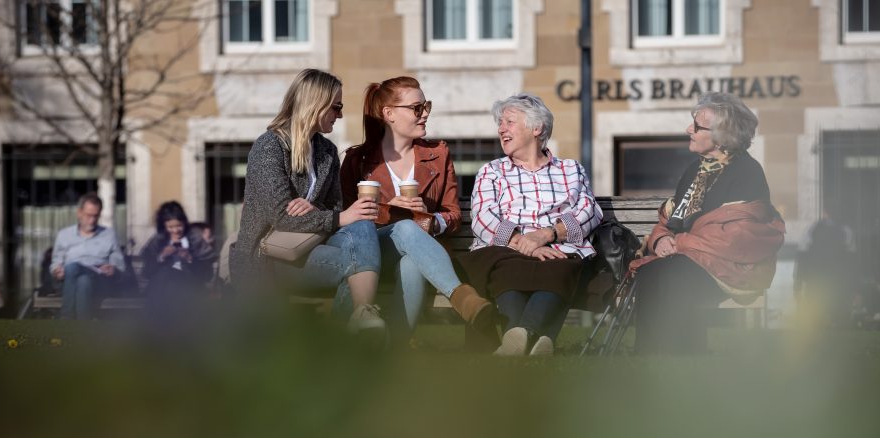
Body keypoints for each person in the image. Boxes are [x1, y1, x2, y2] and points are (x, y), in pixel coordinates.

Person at [339, 76, 497, 344]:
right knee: (403, 226)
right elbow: (348, 223)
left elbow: (453, 214)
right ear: (389, 114)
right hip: (371, 255)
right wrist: (388, 211)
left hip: (421, 255)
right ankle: (462, 297)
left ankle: (393, 348)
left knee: (411, 263)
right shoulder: (358, 160)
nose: (424, 114)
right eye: (416, 108)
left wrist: (429, 219)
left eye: (426, 106)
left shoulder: (438, 153)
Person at [229, 68, 384, 333]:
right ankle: (351, 337)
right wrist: (339, 218)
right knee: (358, 267)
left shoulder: (327, 151)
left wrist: (316, 208)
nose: (340, 115)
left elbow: (334, 205)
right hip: (268, 257)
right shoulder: (269, 147)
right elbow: (281, 216)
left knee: (363, 226)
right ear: (315, 104)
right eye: (336, 107)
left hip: (311, 246)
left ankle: (355, 326)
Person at [631, 92, 785, 353]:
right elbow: (669, 221)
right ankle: (648, 355)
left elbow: (736, 238)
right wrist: (661, 239)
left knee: (673, 275)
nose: (688, 129)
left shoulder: (747, 172)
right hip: (686, 259)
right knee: (651, 272)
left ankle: (680, 354)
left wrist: (679, 244)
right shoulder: (695, 170)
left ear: (722, 135)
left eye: (697, 126)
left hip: (730, 267)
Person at [461, 93, 603, 356]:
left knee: (560, 265)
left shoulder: (570, 170)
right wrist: (524, 243)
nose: (501, 129)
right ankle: (535, 337)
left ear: (537, 128)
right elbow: (482, 217)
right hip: (505, 250)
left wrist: (547, 235)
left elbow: (590, 211)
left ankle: (519, 337)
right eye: (500, 123)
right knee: (509, 268)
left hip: (558, 250)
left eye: (509, 122)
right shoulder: (492, 171)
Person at [50, 192, 127, 319]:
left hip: (99, 281)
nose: (92, 220)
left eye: (96, 216)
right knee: (82, 280)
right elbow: (56, 263)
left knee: (73, 268)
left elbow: (120, 267)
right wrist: (57, 271)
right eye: (88, 215)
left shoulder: (109, 235)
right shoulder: (64, 235)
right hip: (69, 282)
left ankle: (65, 318)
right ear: (79, 213)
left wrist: (113, 270)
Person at [139, 201, 216, 315]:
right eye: (170, 227)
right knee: (167, 276)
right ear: (164, 226)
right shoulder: (158, 240)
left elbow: (207, 273)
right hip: (161, 290)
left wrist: (190, 259)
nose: (175, 230)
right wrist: (162, 256)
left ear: (184, 223)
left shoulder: (194, 238)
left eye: (179, 226)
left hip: (190, 287)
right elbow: (147, 272)